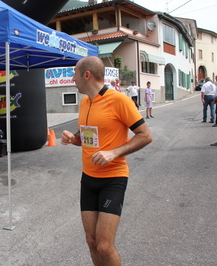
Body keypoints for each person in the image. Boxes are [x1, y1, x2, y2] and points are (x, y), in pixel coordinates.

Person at [61, 56, 152, 266]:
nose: (72, 78)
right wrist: (73, 138)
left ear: (87, 75)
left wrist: (114, 153)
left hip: (113, 178)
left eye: (74, 73)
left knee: (104, 245)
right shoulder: (85, 102)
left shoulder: (119, 100)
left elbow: (145, 135)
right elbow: (86, 138)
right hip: (89, 179)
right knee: (91, 241)